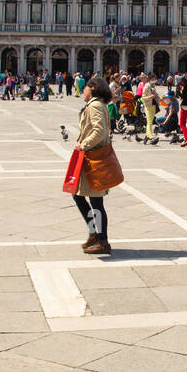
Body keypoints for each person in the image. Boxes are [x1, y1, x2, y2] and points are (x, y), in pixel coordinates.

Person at [74, 75, 117, 254]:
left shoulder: (96, 105)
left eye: (86, 87)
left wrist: (84, 145)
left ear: (93, 88)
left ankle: (102, 241)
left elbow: (100, 130)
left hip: (94, 157)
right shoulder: (96, 105)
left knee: (96, 201)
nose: (83, 90)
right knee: (78, 195)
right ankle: (94, 234)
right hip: (91, 156)